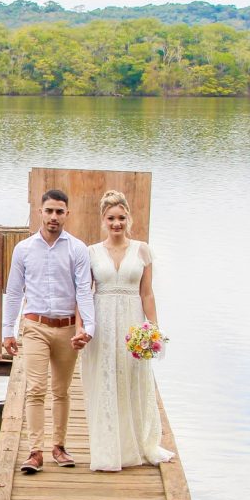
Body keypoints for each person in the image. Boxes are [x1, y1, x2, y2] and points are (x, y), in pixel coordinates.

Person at [2, 189, 95, 474]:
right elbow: (14, 291)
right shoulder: (24, 249)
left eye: (59, 211)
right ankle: (35, 452)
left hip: (67, 328)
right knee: (35, 388)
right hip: (35, 326)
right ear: (40, 213)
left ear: (67, 214)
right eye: (49, 211)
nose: (54, 216)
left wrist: (88, 327)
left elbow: (83, 290)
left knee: (61, 390)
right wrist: (7, 330)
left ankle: (59, 446)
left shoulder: (77, 249)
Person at [82, 189, 174, 470]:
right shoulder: (92, 253)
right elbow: (85, 293)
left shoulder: (142, 250)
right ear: (103, 220)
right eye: (111, 218)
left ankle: (134, 444)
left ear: (128, 219)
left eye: (121, 217)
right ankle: (107, 448)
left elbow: (147, 293)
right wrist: (84, 327)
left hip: (132, 321)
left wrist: (153, 327)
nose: (117, 223)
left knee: (131, 380)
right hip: (103, 320)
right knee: (105, 380)